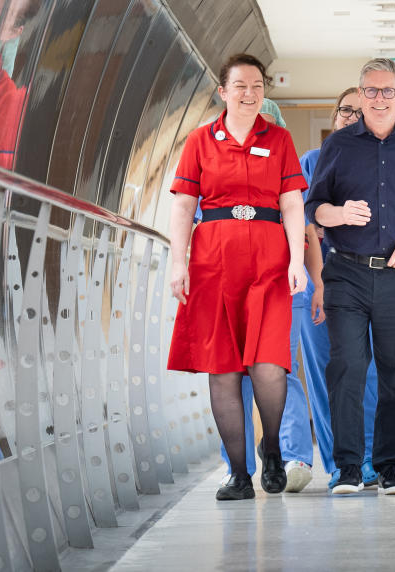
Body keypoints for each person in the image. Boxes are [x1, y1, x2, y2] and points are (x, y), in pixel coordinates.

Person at [306, 58, 395, 495]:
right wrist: (340, 213)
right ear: (361, 94)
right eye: (371, 91)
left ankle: (390, 468)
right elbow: (316, 207)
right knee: (347, 368)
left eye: (388, 91)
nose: (379, 98)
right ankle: (347, 469)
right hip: (347, 274)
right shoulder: (338, 146)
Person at [167, 53, 309, 501]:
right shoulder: (199, 141)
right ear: (223, 92)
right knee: (223, 369)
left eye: (257, 86)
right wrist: (177, 262)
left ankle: (270, 449)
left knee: (269, 363)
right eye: (240, 86)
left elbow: (291, 203)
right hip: (214, 261)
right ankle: (239, 475)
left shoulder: (280, 138)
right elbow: (184, 206)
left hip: (268, 260)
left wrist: (296, 260)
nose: (250, 94)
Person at [213, 97, 323, 493]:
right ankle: (237, 467)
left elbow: (305, 230)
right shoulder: (215, 164)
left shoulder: (284, 163)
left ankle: (291, 455)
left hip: (281, 284)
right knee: (234, 377)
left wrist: (315, 282)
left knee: (280, 368)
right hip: (228, 286)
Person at [296, 88, 382, 489]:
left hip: (371, 282)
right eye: (344, 110)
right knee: (326, 372)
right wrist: (316, 281)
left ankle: (368, 458)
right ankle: (337, 463)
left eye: (358, 110)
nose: (350, 116)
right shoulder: (310, 164)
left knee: (369, 374)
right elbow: (304, 225)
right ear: (334, 117)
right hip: (322, 283)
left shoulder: (383, 162)